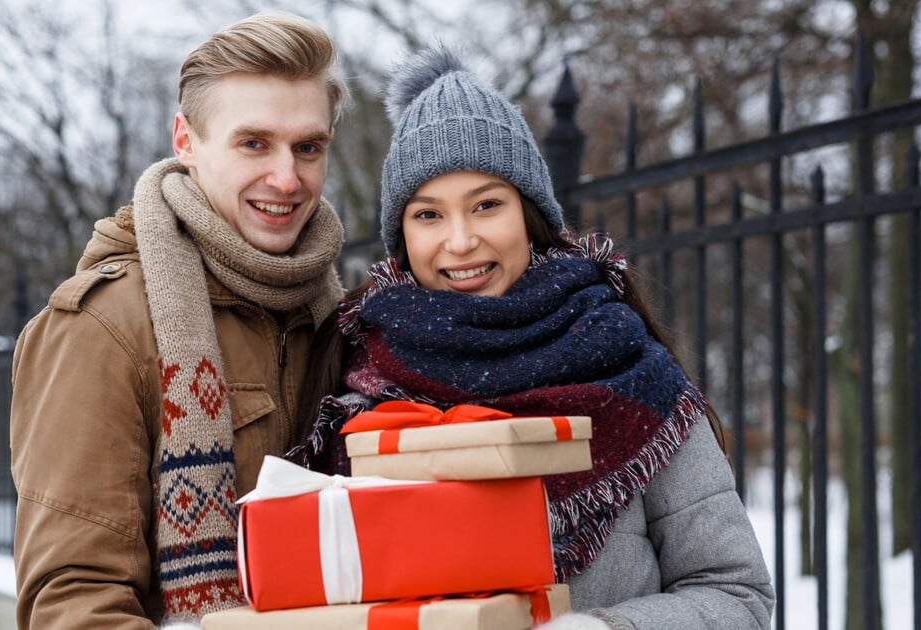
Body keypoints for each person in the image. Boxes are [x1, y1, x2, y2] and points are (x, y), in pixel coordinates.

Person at [291, 46, 775, 630]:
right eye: (428, 214)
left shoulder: (632, 374)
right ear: (401, 235)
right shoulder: (356, 379)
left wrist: (598, 629)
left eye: (487, 205)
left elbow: (735, 594)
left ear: (530, 215)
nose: (461, 240)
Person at [9, 12, 350, 628]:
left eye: (308, 147)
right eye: (254, 143)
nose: (287, 177)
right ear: (186, 140)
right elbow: (75, 601)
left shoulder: (341, 320)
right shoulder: (104, 325)